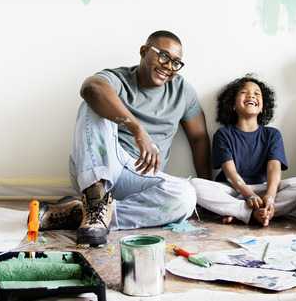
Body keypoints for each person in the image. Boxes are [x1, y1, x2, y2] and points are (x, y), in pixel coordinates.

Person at [39, 30, 212, 246]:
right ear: (144, 51)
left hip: (142, 178)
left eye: (176, 63)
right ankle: (95, 198)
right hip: (101, 166)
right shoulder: (119, 78)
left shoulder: (183, 91)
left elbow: (199, 139)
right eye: (163, 56)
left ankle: (85, 215)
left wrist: (207, 192)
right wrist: (138, 130)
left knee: (186, 197)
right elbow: (91, 88)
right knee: (92, 104)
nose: (168, 66)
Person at [190, 75, 296, 226]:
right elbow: (230, 173)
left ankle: (250, 212)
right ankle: (248, 212)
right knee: (194, 185)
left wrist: (270, 196)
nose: (251, 95)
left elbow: (274, 168)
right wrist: (249, 196)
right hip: (232, 191)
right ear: (232, 105)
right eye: (243, 92)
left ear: (262, 108)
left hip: (262, 189)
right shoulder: (223, 135)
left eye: (257, 93)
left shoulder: (272, 135)